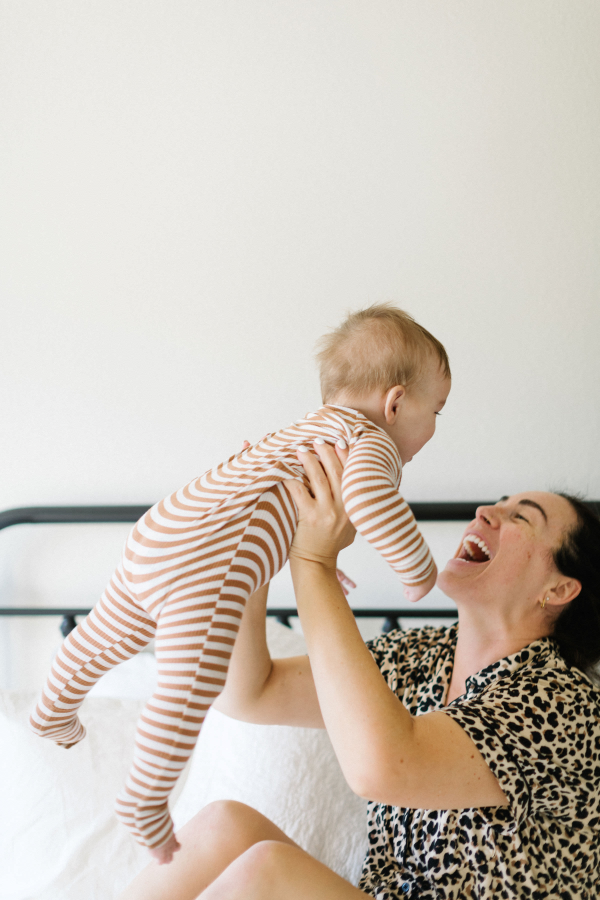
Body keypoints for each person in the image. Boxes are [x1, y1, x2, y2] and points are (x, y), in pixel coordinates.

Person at [30, 305, 451, 862]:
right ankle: (145, 796)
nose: (436, 426)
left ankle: (53, 707)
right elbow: (374, 503)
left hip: (163, 528)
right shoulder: (367, 440)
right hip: (207, 566)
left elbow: (283, 517)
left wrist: (318, 558)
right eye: (438, 409)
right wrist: (417, 568)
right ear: (395, 403)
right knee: (189, 686)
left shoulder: (304, 432)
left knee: (108, 634)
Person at [119, 442, 600, 900]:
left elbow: (384, 767)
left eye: (520, 517)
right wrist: (256, 539)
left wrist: (313, 561)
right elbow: (250, 692)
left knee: (266, 872)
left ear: (558, 591)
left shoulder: (567, 704)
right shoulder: (421, 657)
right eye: (499, 503)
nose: (485, 513)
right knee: (225, 825)